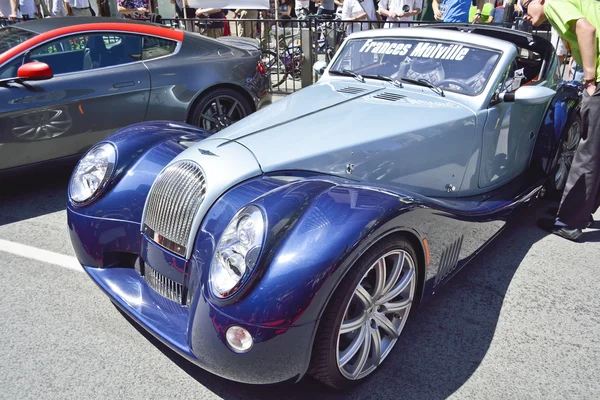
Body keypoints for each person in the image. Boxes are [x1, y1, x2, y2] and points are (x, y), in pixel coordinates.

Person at [524, 0, 600, 241]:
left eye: (526, 5)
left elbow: (586, 30)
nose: (525, 14)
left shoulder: (555, 3)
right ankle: (581, 212)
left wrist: (589, 79)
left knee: (587, 153)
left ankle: (568, 222)